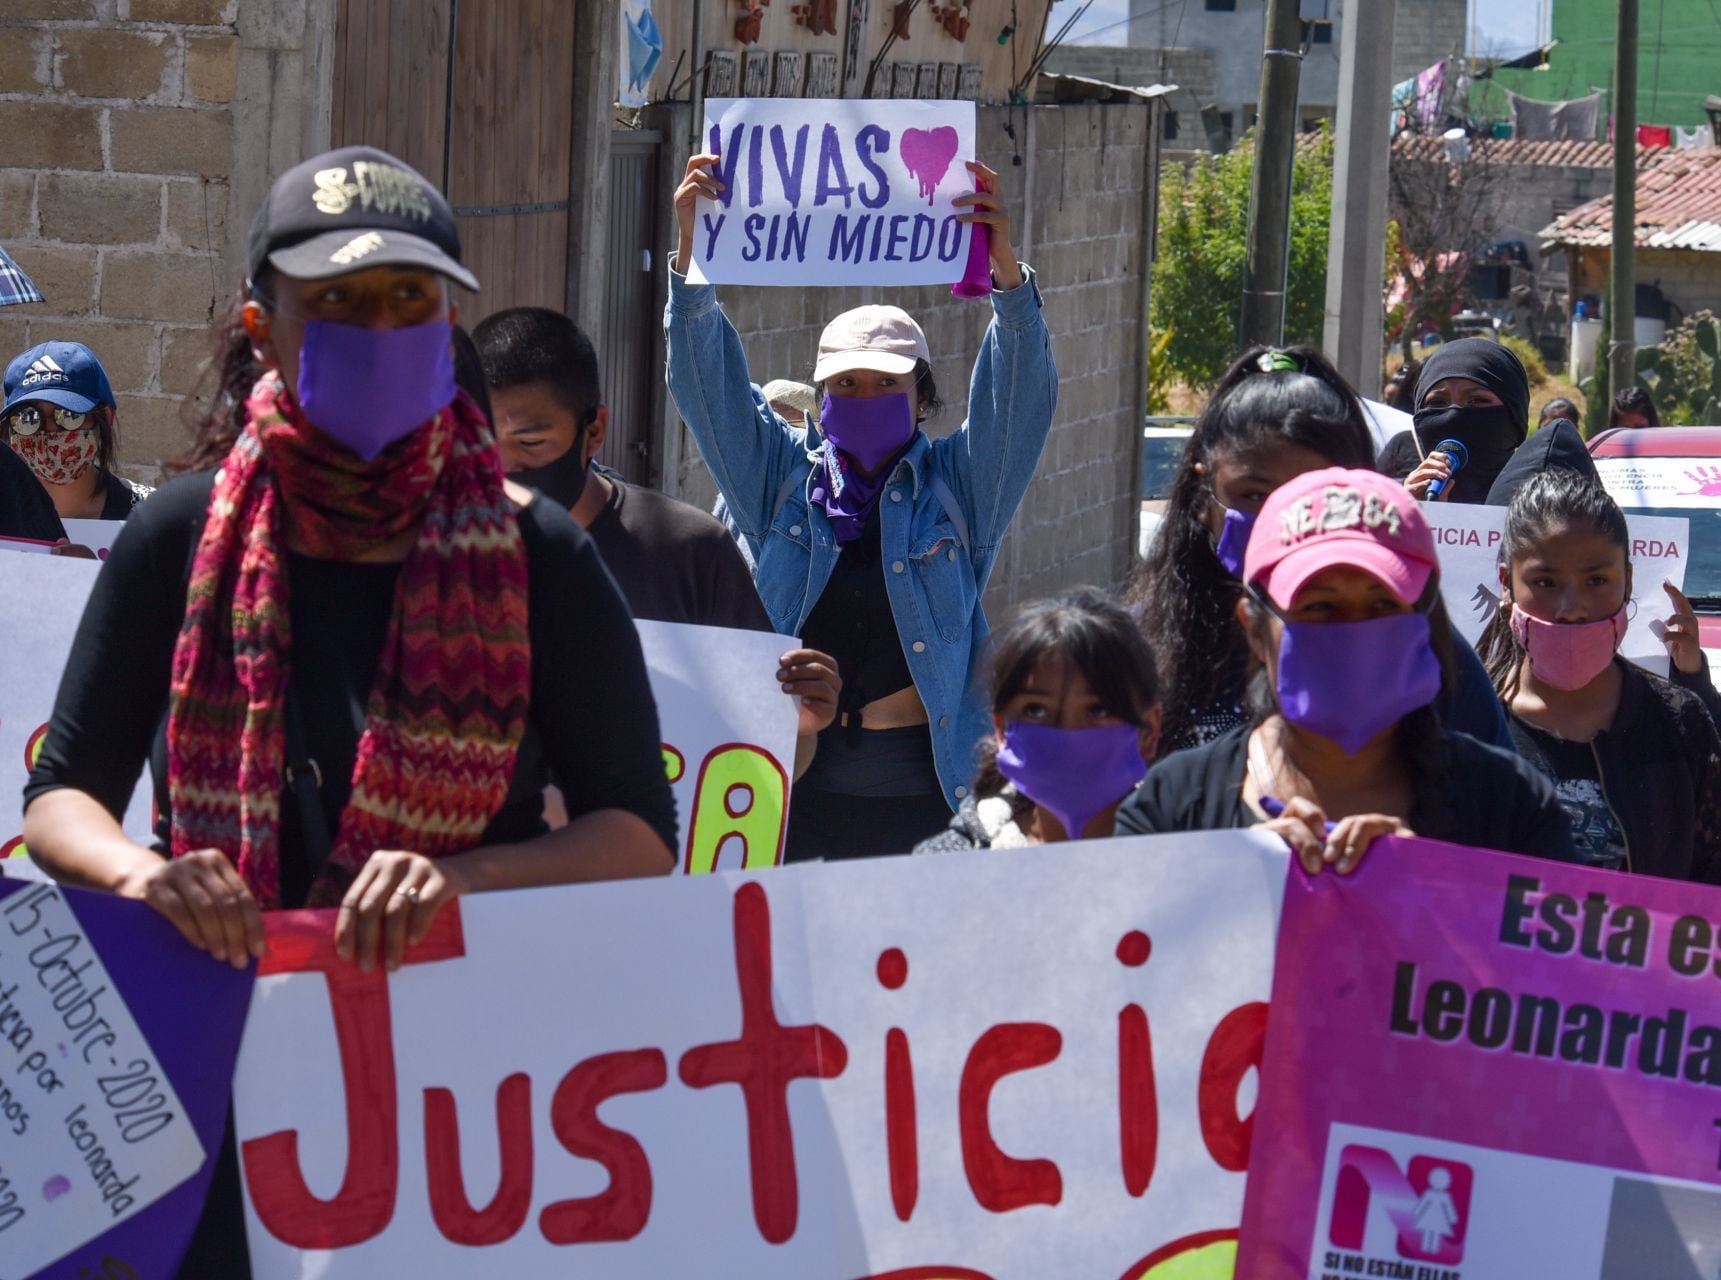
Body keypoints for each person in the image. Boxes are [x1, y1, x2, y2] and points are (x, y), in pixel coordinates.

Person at [23, 145, 677, 1275]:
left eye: (408, 299)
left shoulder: (539, 556)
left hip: (466, 1111)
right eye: (337, 302)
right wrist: (144, 875)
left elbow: (634, 833)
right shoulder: (176, 537)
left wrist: (458, 880)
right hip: (211, 1095)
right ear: (262, 324)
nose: (378, 328)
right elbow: (60, 797)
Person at [665, 153, 1056, 861]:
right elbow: (708, 391)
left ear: (923, 400)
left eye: (886, 383)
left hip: (928, 802)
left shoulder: (955, 491)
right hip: (785, 798)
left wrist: (1005, 276)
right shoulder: (779, 485)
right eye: (845, 383)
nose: (865, 397)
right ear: (819, 399)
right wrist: (693, 256)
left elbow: (1018, 403)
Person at [1117, 468, 1575, 871]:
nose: (1356, 632)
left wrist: (1435, 894)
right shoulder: (1173, 806)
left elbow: (1563, 966)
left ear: (1425, 621)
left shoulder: (1512, 808)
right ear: (1254, 630)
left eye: (1382, 603)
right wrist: (1233, 888)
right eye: (1320, 607)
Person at [475, 305, 841, 779]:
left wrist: (797, 726)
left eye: (531, 443)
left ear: (594, 432)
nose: (502, 471)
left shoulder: (687, 552)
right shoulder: (428, 553)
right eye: (481, 442)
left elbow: (772, 762)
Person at [1123, 345, 1513, 757]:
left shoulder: (1430, 652)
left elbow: (1501, 807)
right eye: (1254, 494)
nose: (1282, 517)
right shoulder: (1138, 647)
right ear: (1204, 494)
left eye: (1312, 494)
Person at [1478, 469, 1721, 880]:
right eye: (1545, 582)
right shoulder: (1471, 724)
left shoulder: (1680, 725)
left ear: (1627, 582)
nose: (1572, 606)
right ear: (1506, 582)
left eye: (1596, 580)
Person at [915, 590, 1159, 853]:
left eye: (1098, 710)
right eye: (1036, 710)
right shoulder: (944, 868)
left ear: (1148, 731)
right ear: (1002, 730)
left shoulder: (1191, 857)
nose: (1067, 735)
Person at [2, 340, 152, 520]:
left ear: (106, 416)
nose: (50, 432)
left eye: (69, 415)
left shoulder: (152, 515)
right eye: (29, 418)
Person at [1379, 338, 1530, 504]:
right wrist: (1404, 513)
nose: (1453, 416)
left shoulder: (1542, 506)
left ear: (1514, 414)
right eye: (1437, 403)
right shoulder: (1397, 503)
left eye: (1477, 400)